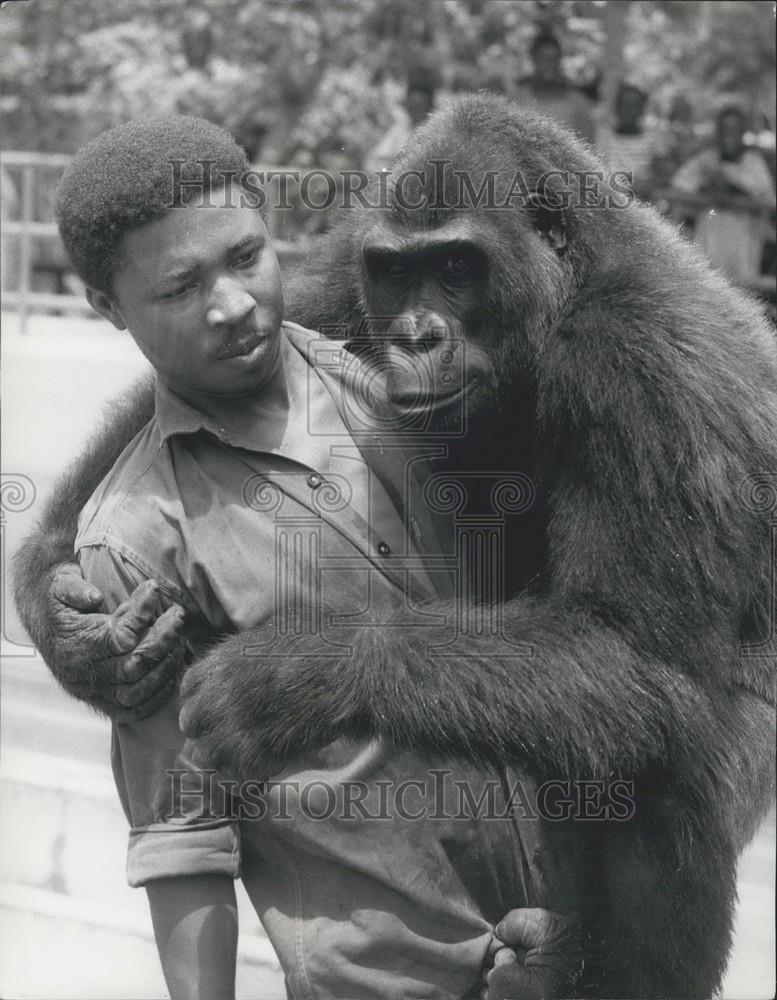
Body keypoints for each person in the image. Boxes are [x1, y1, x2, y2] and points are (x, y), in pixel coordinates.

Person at [53, 116, 578, 1000]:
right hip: (385, 981)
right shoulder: (136, 539)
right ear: (111, 308)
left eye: (245, 256)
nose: (232, 303)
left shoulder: (401, 380)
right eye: (180, 287)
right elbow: (184, 838)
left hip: (555, 953)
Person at [670, 103, 775, 285]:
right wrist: (706, 189)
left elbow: (767, 200)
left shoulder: (754, 163)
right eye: (724, 129)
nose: (729, 135)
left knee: (742, 290)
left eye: (734, 130)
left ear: (743, 132)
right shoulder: (705, 159)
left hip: (743, 242)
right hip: (710, 235)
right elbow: (679, 185)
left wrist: (733, 189)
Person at [514, 31, 596, 144]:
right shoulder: (516, 100)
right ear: (533, 59)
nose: (549, 64)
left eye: (554, 59)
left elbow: (589, 148)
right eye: (543, 58)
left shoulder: (579, 104)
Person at [596, 82, 663, 200]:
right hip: (610, 199)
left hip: (642, 200)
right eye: (623, 105)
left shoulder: (652, 140)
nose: (628, 111)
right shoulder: (605, 136)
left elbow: (659, 175)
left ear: (642, 109)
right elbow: (598, 170)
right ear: (616, 107)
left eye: (634, 106)